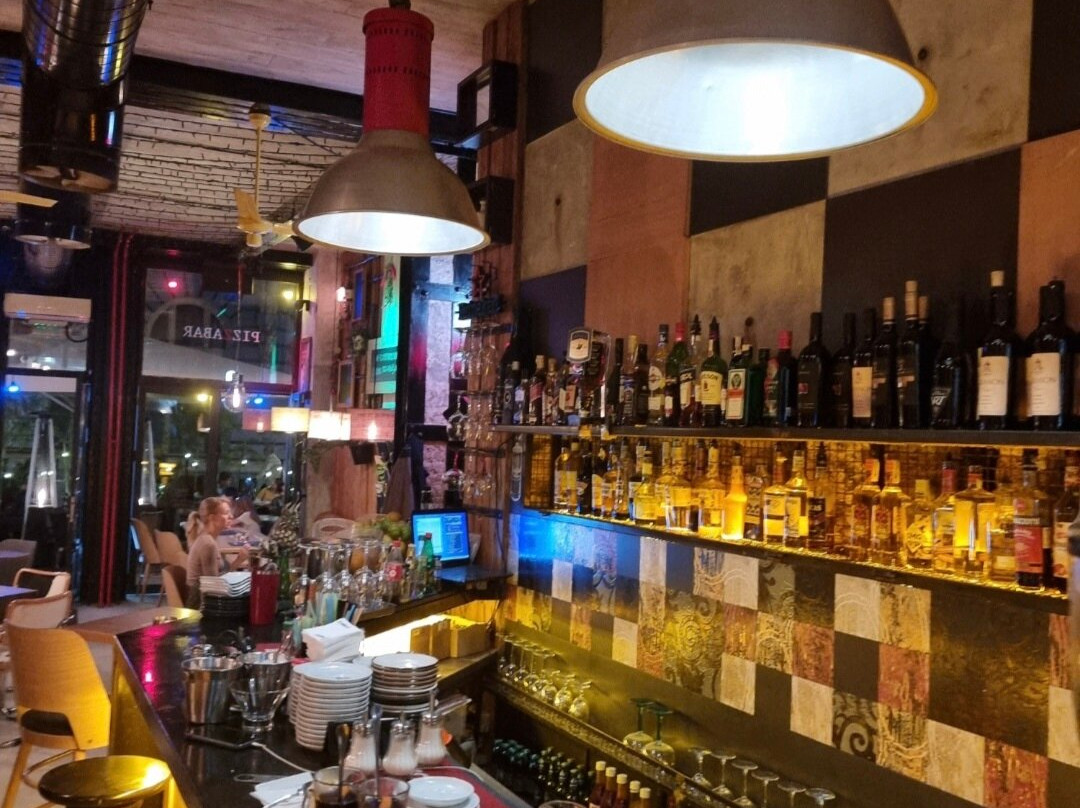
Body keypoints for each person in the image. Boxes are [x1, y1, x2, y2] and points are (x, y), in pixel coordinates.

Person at [185, 496, 248, 608]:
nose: (231, 516)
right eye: (226, 513)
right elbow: (214, 587)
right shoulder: (208, 544)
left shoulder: (207, 539)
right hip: (202, 606)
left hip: (205, 601)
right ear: (212, 518)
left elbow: (216, 579)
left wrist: (239, 560)